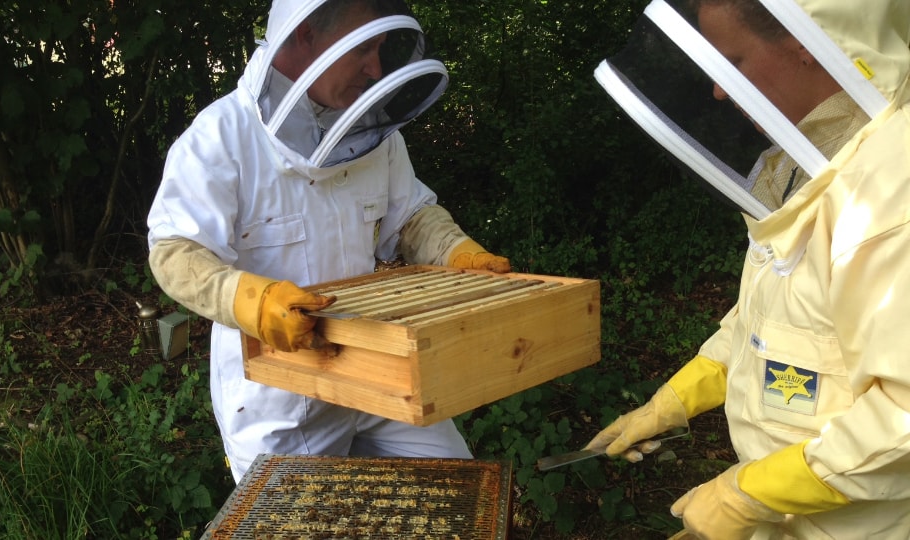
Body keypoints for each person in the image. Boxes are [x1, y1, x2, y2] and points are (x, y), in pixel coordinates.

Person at [146, 0, 510, 484]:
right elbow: (174, 253)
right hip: (280, 400)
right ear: (305, 36)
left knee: (461, 488)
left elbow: (411, 217)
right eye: (363, 48)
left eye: (380, 49)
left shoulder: (373, 132)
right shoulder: (221, 138)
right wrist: (252, 301)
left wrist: (459, 251)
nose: (375, 68)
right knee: (299, 518)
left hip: (375, 368)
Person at [584, 0, 910, 538]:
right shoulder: (805, 160)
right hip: (788, 516)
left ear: (804, 42)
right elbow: (773, 317)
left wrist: (747, 496)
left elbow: (902, 415)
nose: (719, 89)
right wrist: (674, 400)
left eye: (733, 61)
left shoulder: (892, 195)